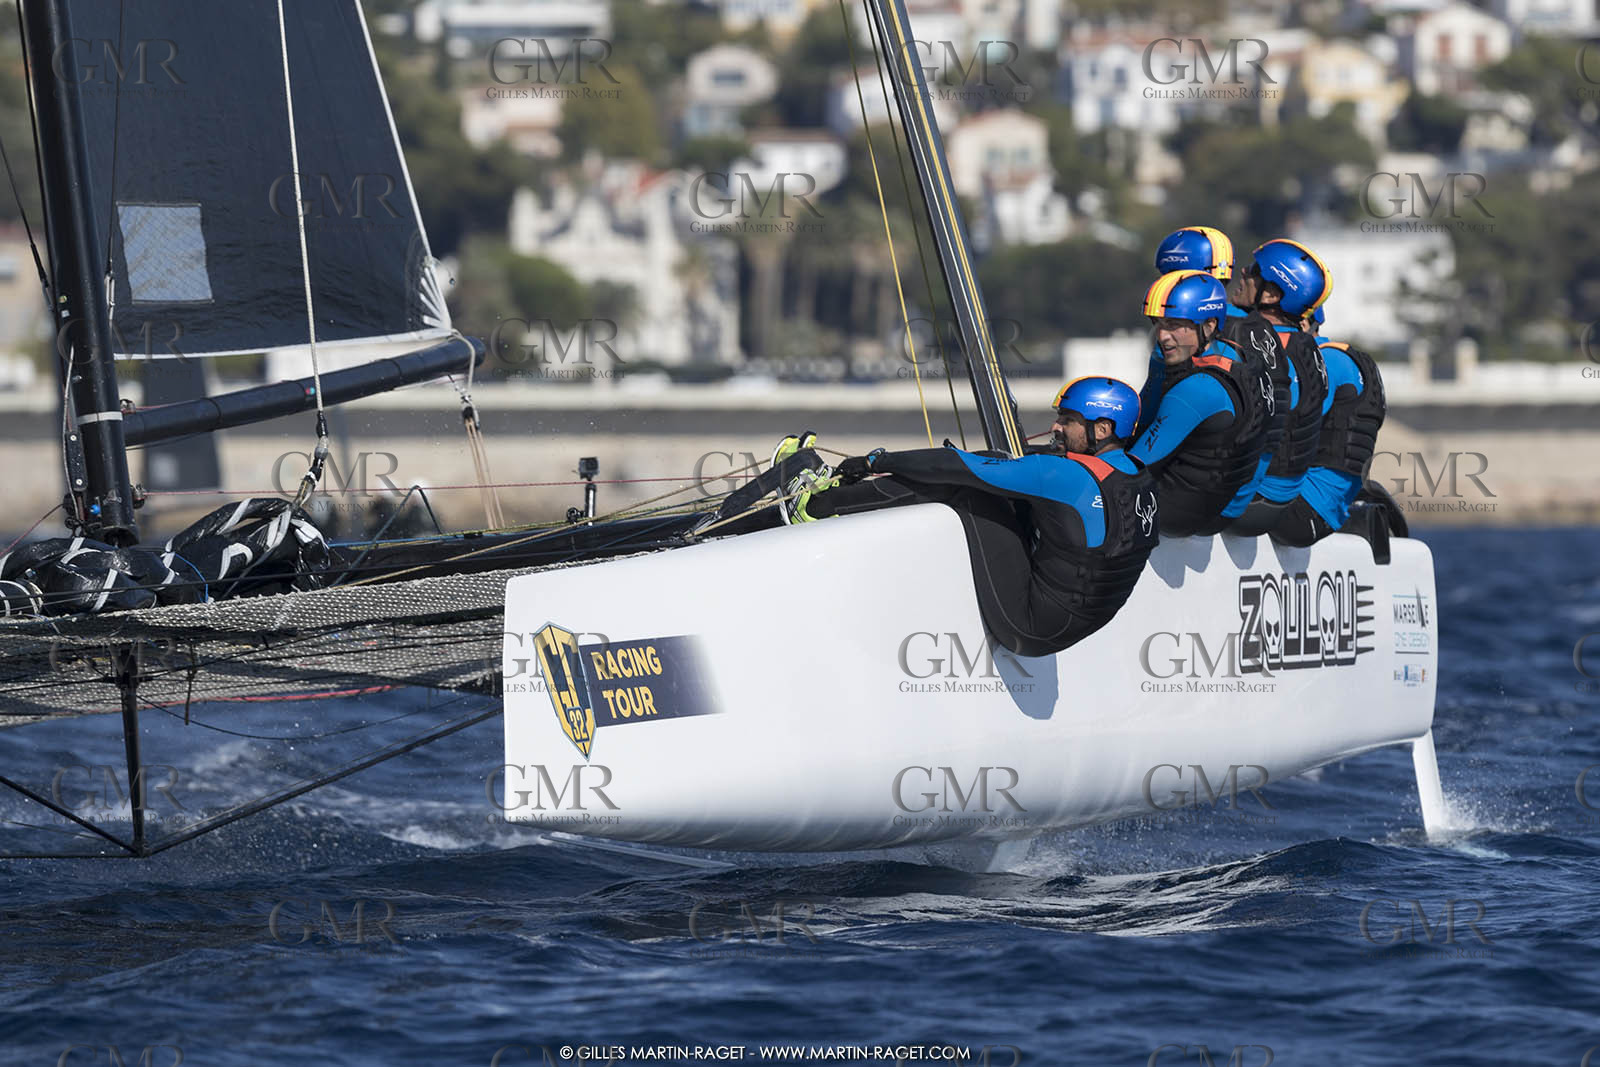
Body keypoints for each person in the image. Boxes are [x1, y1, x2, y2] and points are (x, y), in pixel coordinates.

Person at [774, 379, 1159, 657]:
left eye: (1067, 420)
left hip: (1030, 627)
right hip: (1075, 625)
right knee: (1000, 475)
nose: (1056, 427)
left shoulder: (1064, 475)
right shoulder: (1138, 476)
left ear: (1101, 428)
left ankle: (816, 506)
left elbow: (954, 466)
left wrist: (875, 460)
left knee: (964, 487)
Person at [1127, 270, 1270, 537]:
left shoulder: (1196, 389)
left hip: (1178, 516)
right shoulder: (1239, 356)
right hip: (1225, 507)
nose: (1162, 336)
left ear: (1209, 325)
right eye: (1158, 323)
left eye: (1174, 325)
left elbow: (1131, 469)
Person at [1224, 238, 1332, 536]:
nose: (1243, 272)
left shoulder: (1254, 342)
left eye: (1254, 270)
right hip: (1282, 501)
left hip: (1251, 502)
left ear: (1271, 294)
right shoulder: (1307, 346)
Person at [1264, 305, 1387, 545]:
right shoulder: (1344, 357)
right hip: (1329, 506)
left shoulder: (1322, 363)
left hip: (1305, 509)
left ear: (1302, 324)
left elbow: (1286, 427)